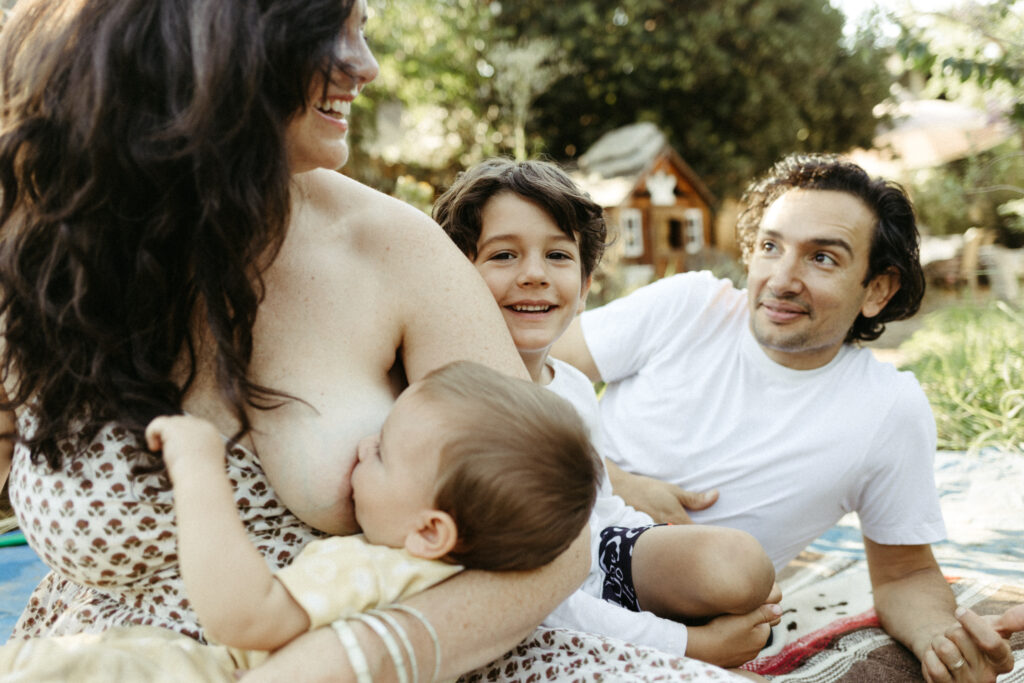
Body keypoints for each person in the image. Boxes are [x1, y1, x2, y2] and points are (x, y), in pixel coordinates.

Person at [0, 1, 592, 681]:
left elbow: (561, 540)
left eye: (361, 29)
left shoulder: (390, 247)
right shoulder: (33, 252)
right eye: (329, 34)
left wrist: (348, 661)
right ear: (207, 43)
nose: (366, 67)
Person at [551, 153, 1023, 682]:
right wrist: (612, 483)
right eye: (771, 247)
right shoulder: (687, 307)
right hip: (553, 535)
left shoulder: (888, 409)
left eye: (822, 258)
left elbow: (905, 573)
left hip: (687, 610)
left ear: (876, 290)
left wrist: (943, 641)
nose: (782, 278)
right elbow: (517, 373)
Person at [0, 361, 601, 681]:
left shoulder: (372, 568)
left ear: (430, 531)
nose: (364, 445)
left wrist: (199, 466)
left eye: (383, 452)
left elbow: (243, 617)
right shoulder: (447, 573)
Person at [433, 158, 781, 673]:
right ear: (459, 273)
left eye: (557, 255)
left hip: (599, 557)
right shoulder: (466, 402)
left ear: (587, 281)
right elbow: (530, 591)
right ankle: (658, 642)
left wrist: (669, 552)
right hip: (538, 602)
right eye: (504, 255)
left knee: (743, 568)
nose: (534, 275)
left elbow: (602, 508)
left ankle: (658, 617)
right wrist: (687, 643)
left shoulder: (570, 386)